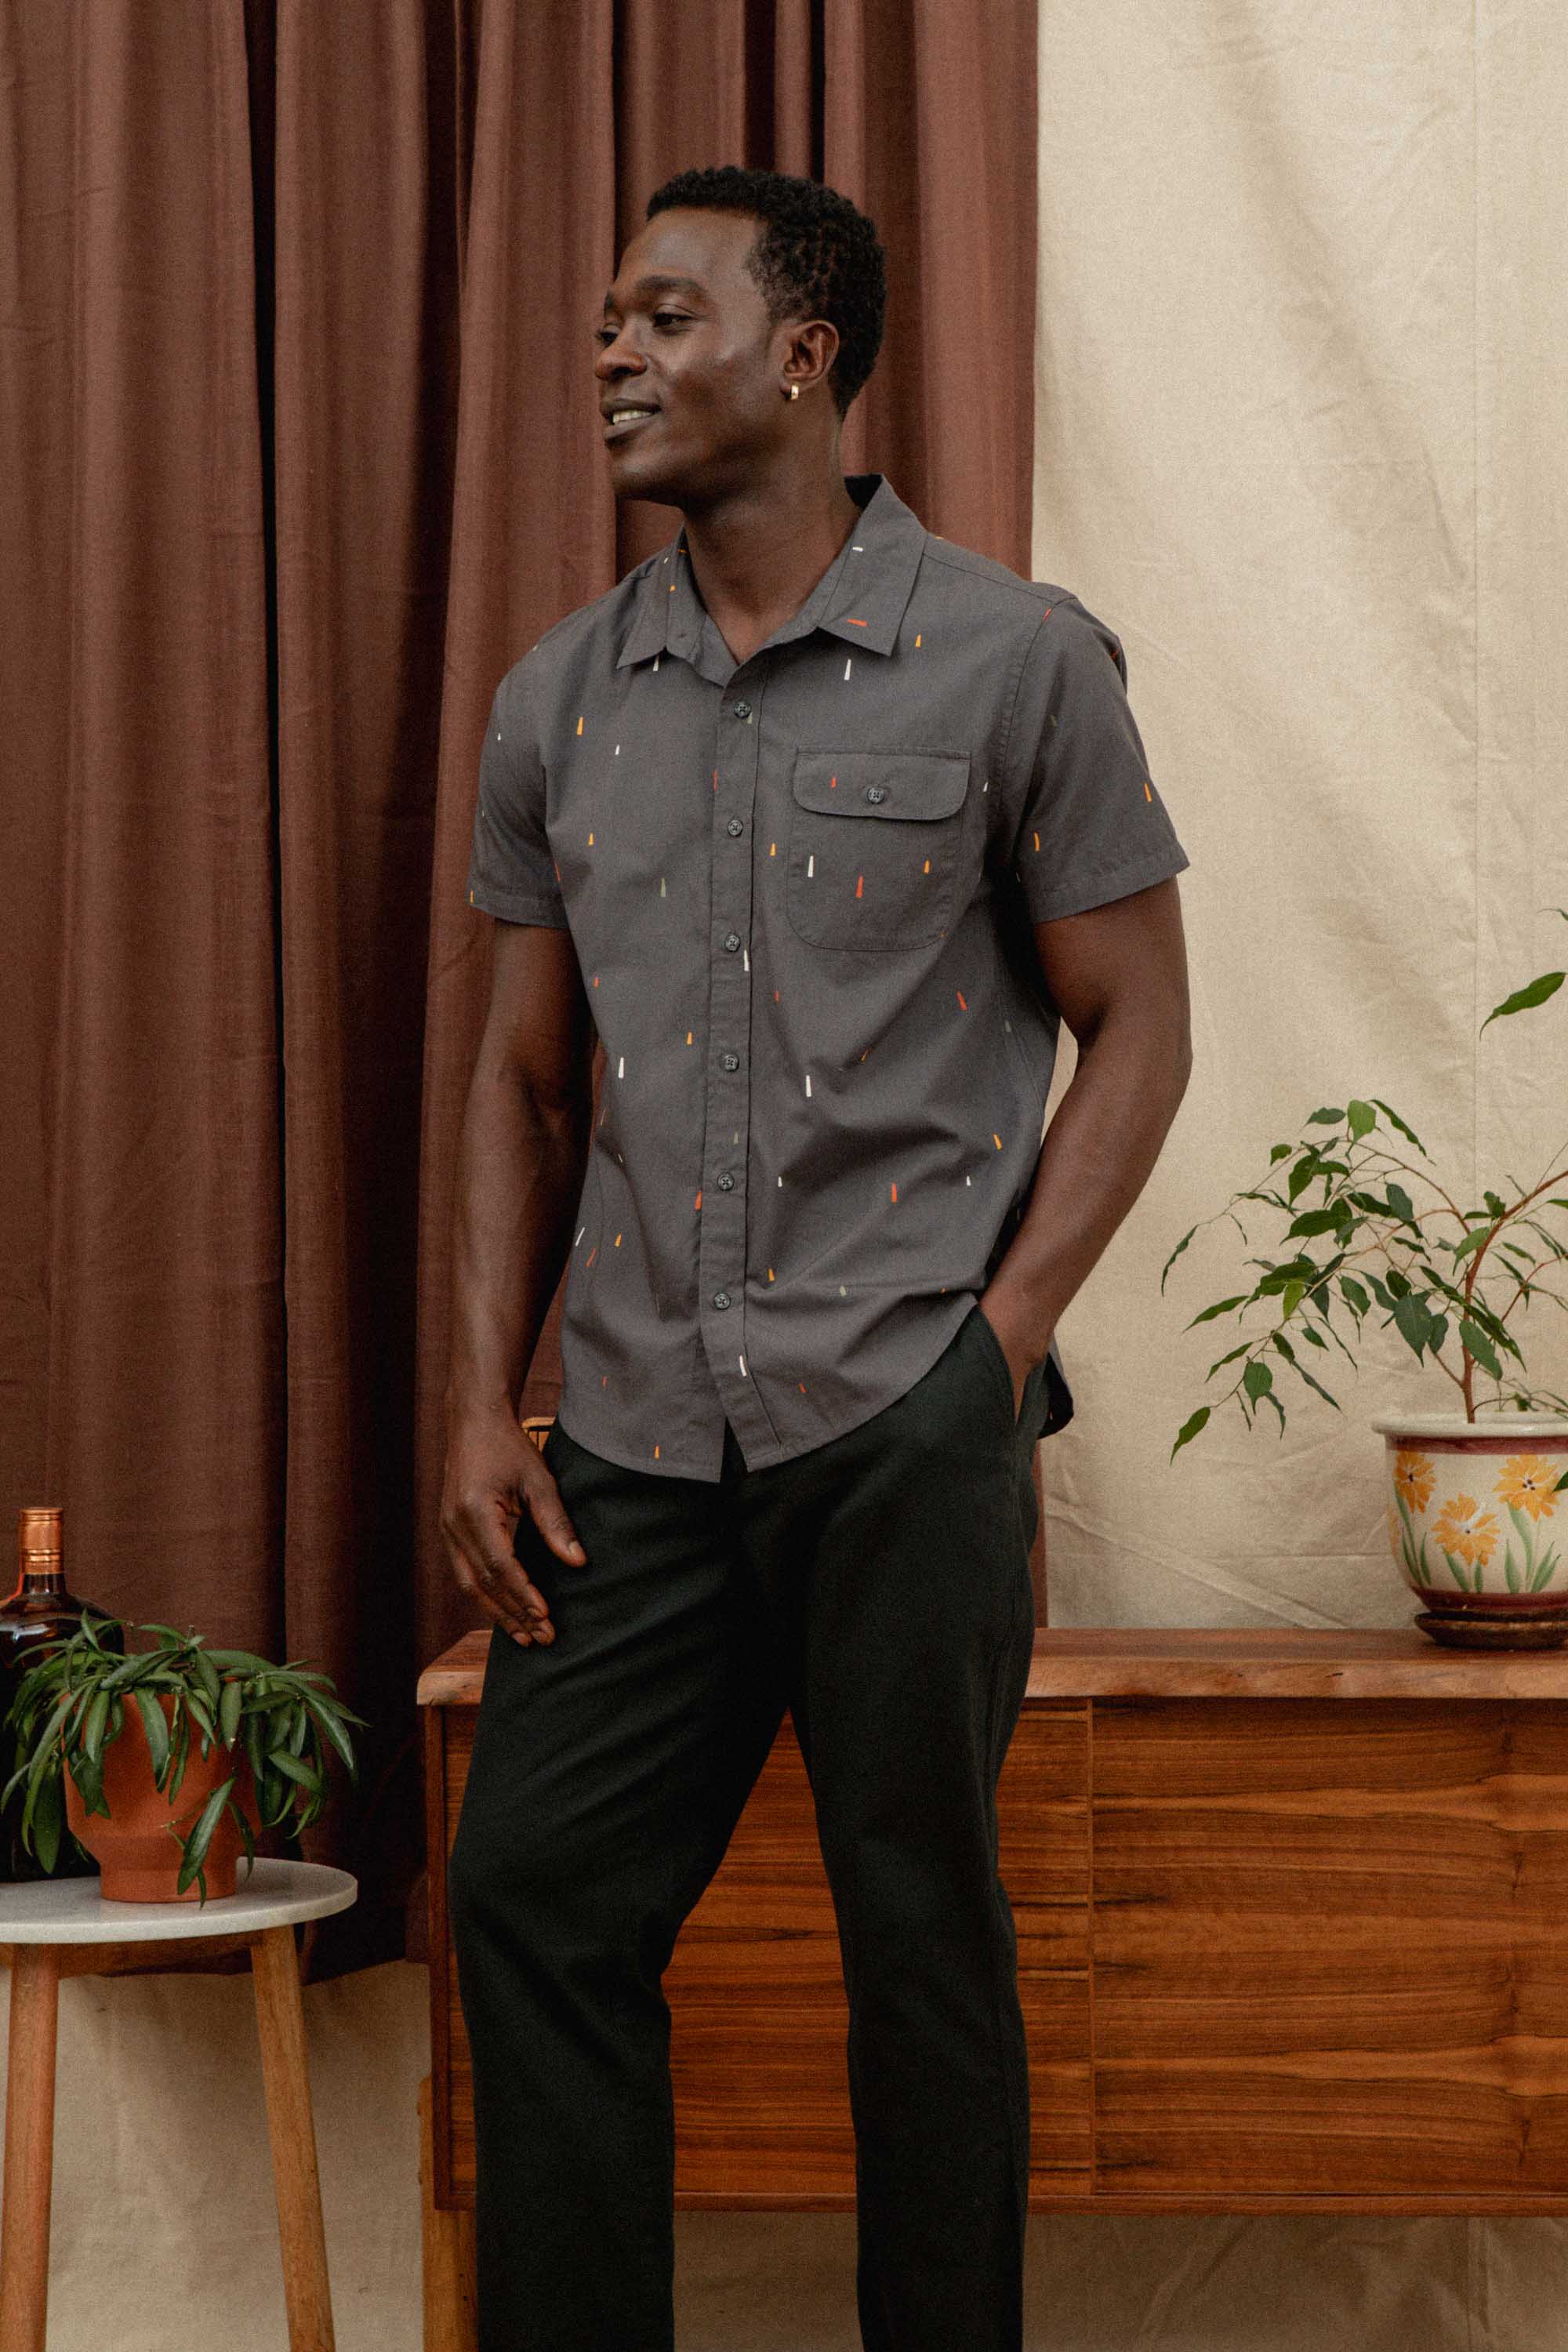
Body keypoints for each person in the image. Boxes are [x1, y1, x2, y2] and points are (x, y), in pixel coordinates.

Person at [441, 163, 1192, 2352]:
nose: (612, 354)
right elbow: (516, 1086)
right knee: (532, 1893)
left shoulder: (1018, 661)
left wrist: (1004, 1343)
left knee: (921, 1950)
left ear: (806, 354)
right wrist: (478, 1410)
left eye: (662, 317)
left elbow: (1138, 1021)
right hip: (641, 1442)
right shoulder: (560, 700)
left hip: (904, 1423)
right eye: (604, 320)